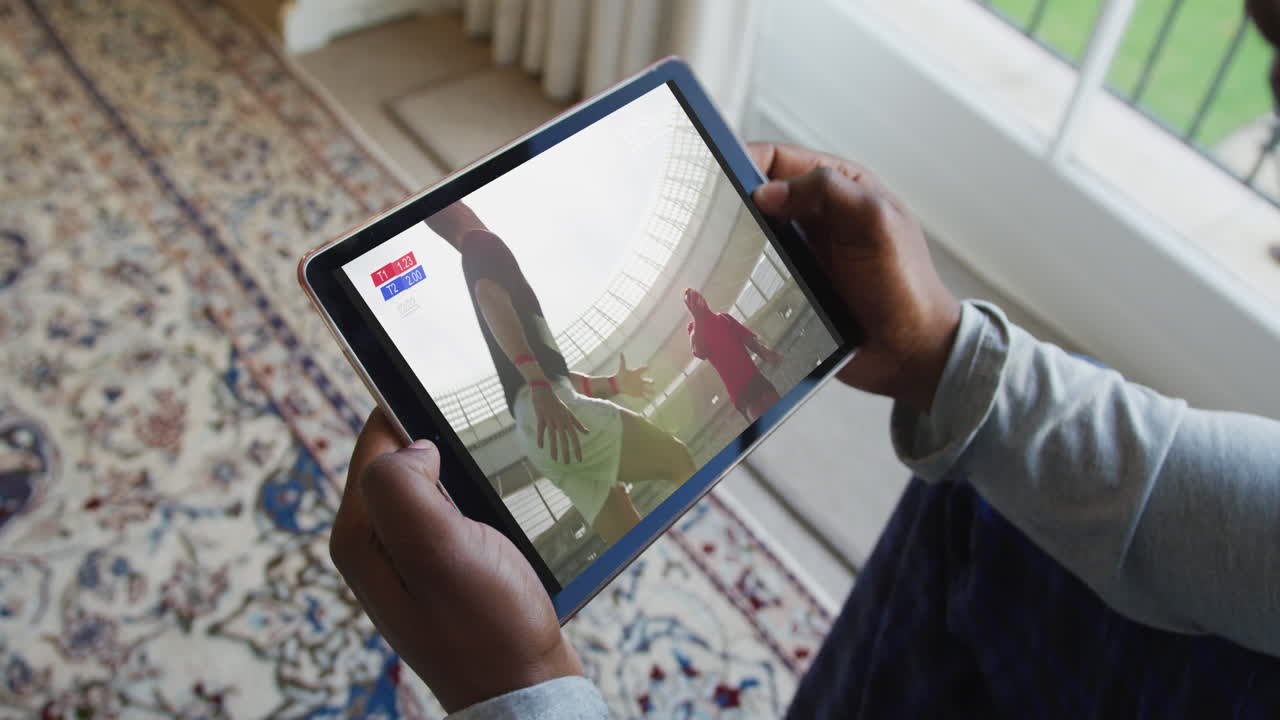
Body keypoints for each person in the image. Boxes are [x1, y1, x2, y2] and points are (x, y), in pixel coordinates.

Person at [331, 141, 1280, 718]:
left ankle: (587, 562)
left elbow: (530, 342)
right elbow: (505, 322)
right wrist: (943, 355)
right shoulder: (486, 250)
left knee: (654, 468)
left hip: (556, 408)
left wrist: (523, 689)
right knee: (969, 506)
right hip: (550, 411)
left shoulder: (490, 250)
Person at [422, 201, 695, 544]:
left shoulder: (474, 254)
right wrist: (539, 384)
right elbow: (488, 295)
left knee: (628, 534)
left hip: (537, 434)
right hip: (551, 407)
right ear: (458, 206)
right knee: (677, 458)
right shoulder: (481, 240)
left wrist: (612, 383)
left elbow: (558, 376)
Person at [684, 287, 784, 422]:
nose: (698, 301)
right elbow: (699, 351)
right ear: (690, 309)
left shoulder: (724, 318)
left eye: (697, 296)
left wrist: (766, 353)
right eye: (692, 301)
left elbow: (748, 340)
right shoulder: (695, 331)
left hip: (755, 378)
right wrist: (697, 316)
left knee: (783, 415)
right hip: (740, 392)